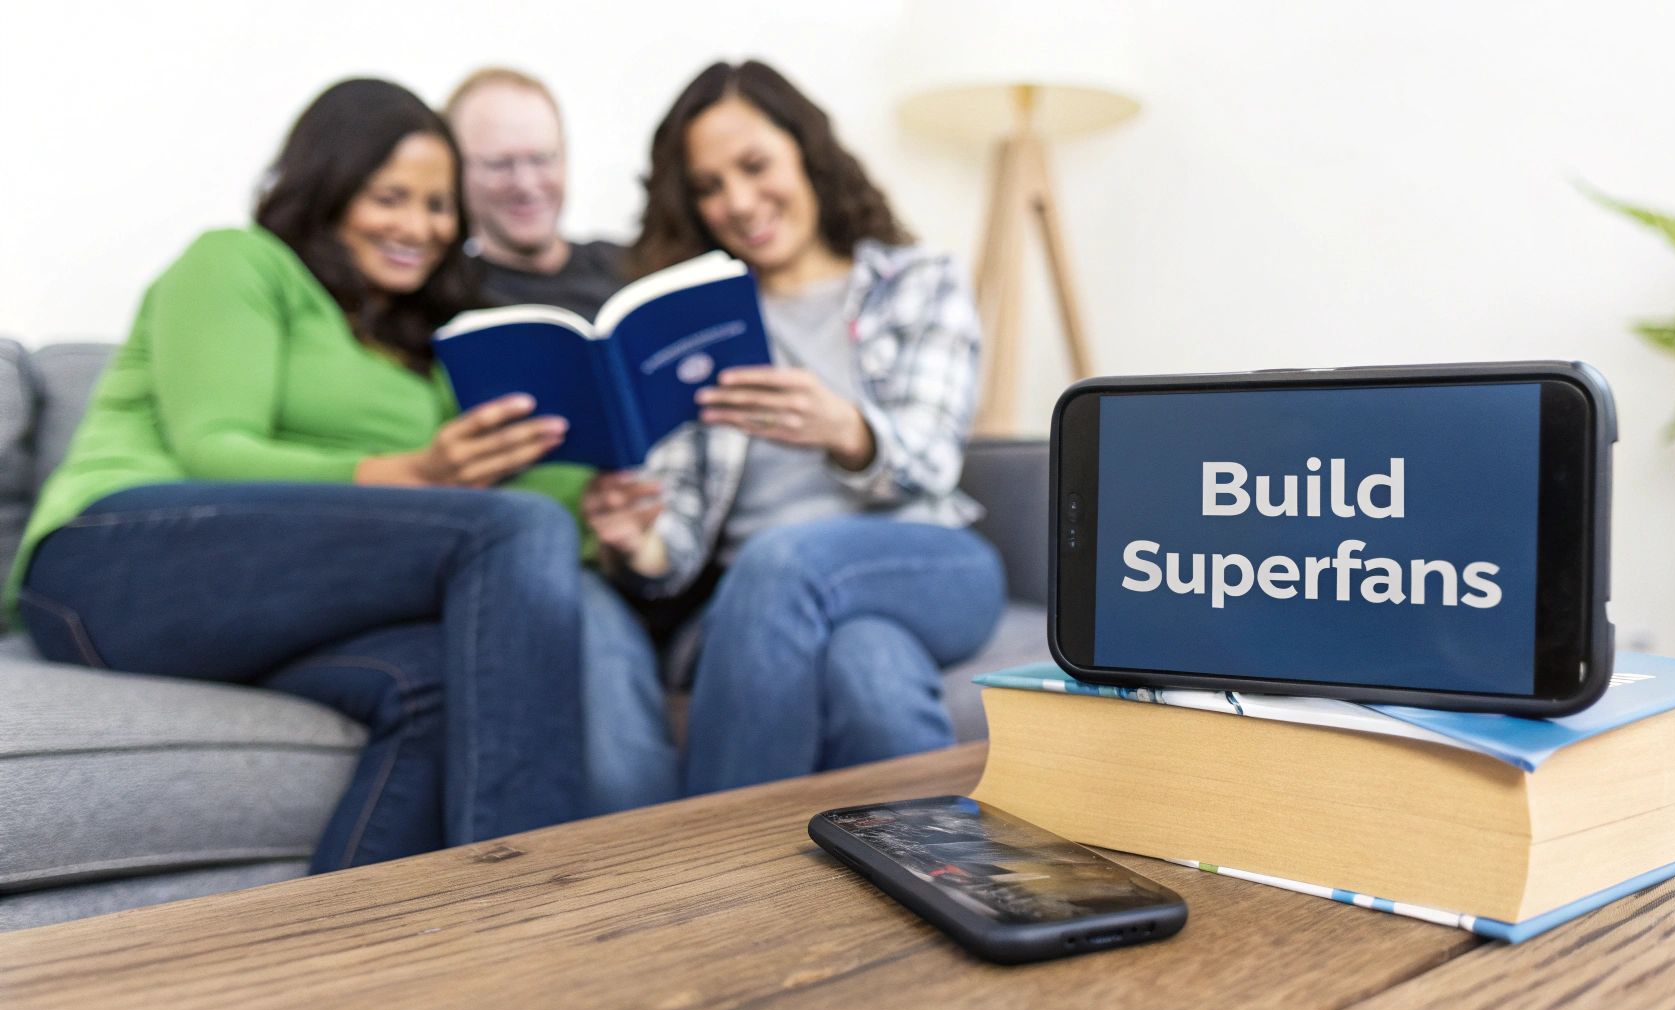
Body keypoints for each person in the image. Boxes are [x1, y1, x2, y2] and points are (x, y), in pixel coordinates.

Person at [5, 78, 602, 872]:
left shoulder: (420, 356)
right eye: (390, 197)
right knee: (519, 530)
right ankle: (536, 901)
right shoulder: (239, 261)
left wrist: (605, 509)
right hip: (112, 563)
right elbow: (216, 447)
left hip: (255, 605)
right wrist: (415, 471)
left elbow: (500, 492)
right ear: (328, 187)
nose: (418, 227)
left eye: (436, 205)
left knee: (437, 678)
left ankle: (363, 970)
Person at [585, 60, 1006, 795]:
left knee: (784, 562)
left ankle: (712, 869)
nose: (738, 202)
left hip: (929, 558)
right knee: (869, 666)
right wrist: (638, 543)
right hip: (754, 603)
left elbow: (932, 460)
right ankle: (940, 887)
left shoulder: (915, 283)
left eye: (754, 166)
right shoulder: (692, 331)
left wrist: (847, 428)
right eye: (710, 187)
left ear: (807, 155)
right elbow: (678, 546)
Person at [444, 68, 630, 316]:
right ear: (454, 169)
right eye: (498, 164)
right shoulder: (447, 300)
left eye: (542, 159)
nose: (526, 184)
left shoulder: (633, 266)